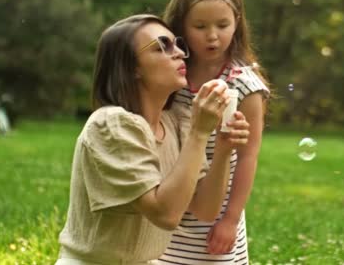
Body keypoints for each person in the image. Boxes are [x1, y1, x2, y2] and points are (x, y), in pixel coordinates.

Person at [56, 14, 251, 265]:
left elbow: (205, 209)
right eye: (162, 46)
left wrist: (224, 149)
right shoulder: (110, 124)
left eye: (177, 44)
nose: (180, 53)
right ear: (132, 67)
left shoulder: (176, 122)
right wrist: (199, 133)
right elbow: (165, 214)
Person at [159, 0, 270, 264]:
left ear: (237, 24)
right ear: (180, 26)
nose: (212, 36)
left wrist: (230, 220)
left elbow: (248, 157)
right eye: (200, 26)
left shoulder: (245, 86)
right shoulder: (172, 73)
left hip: (214, 219)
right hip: (169, 206)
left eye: (223, 25)